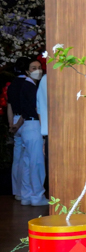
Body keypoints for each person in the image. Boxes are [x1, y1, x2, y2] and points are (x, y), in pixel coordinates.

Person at [17, 60, 48, 206]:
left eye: (40, 67)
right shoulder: (31, 86)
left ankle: (27, 195)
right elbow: (37, 109)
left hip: (27, 126)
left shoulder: (28, 85)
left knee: (27, 163)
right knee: (36, 163)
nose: (38, 70)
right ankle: (37, 196)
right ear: (27, 71)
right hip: (34, 125)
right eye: (34, 68)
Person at [6, 58, 28, 201]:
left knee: (17, 158)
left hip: (14, 119)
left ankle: (16, 191)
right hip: (25, 121)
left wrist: (11, 124)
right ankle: (25, 192)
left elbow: (9, 106)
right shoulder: (29, 84)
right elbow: (28, 107)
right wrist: (19, 124)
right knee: (27, 159)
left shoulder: (12, 85)